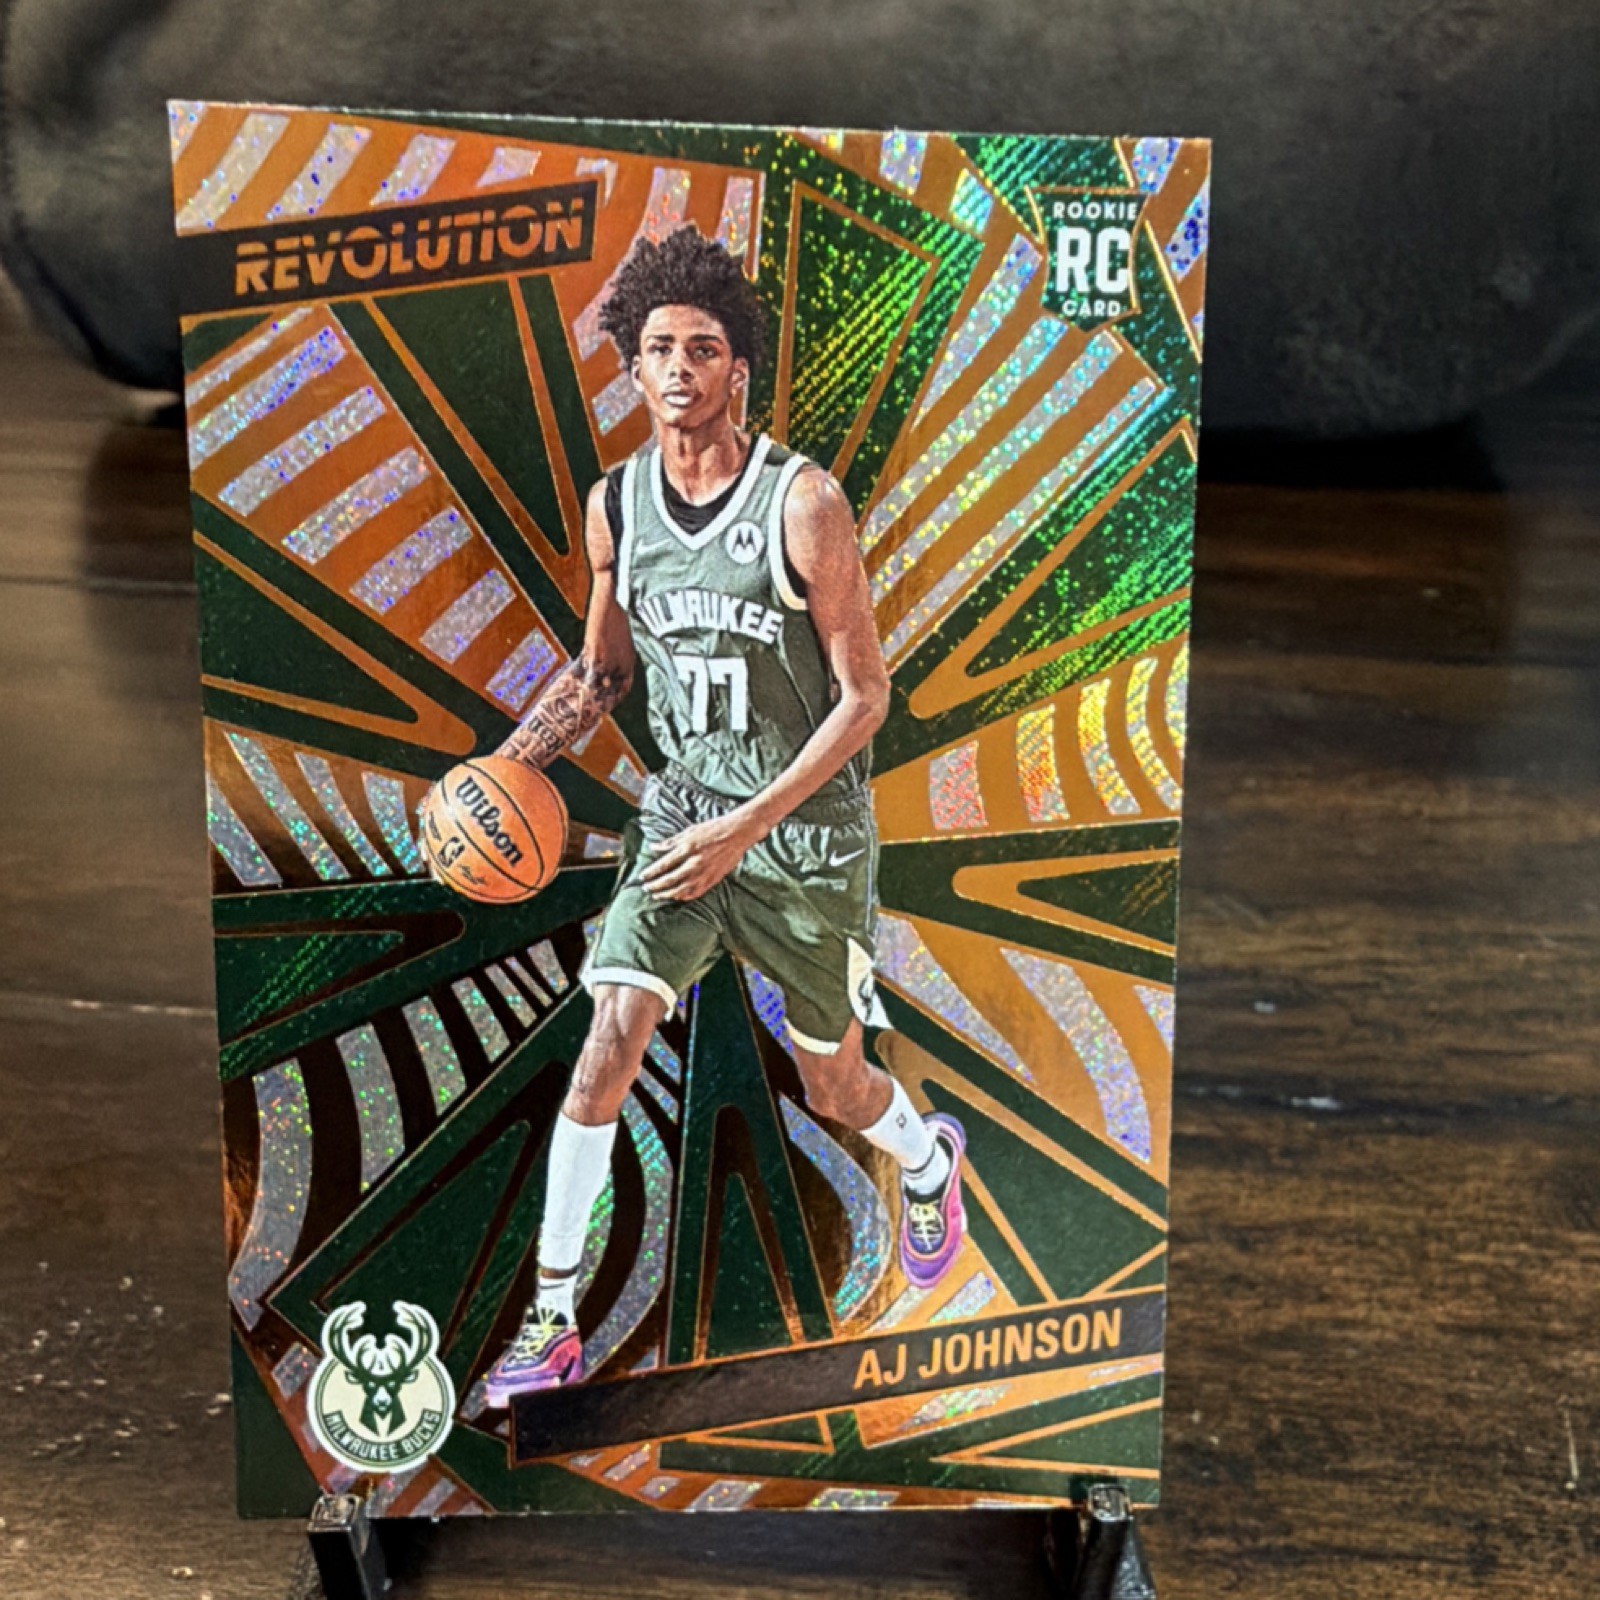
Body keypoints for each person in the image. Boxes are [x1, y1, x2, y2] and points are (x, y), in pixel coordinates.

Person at [468, 226, 965, 1404]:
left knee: (833, 1086)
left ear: (737, 370)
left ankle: (923, 1157)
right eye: (658, 349)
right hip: (682, 814)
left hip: (804, 837)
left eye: (702, 348)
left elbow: (865, 698)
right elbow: (603, 674)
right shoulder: (617, 508)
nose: (679, 367)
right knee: (607, 1043)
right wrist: (501, 768)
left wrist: (746, 829)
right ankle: (552, 1319)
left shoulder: (804, 504)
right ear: (633, 370)